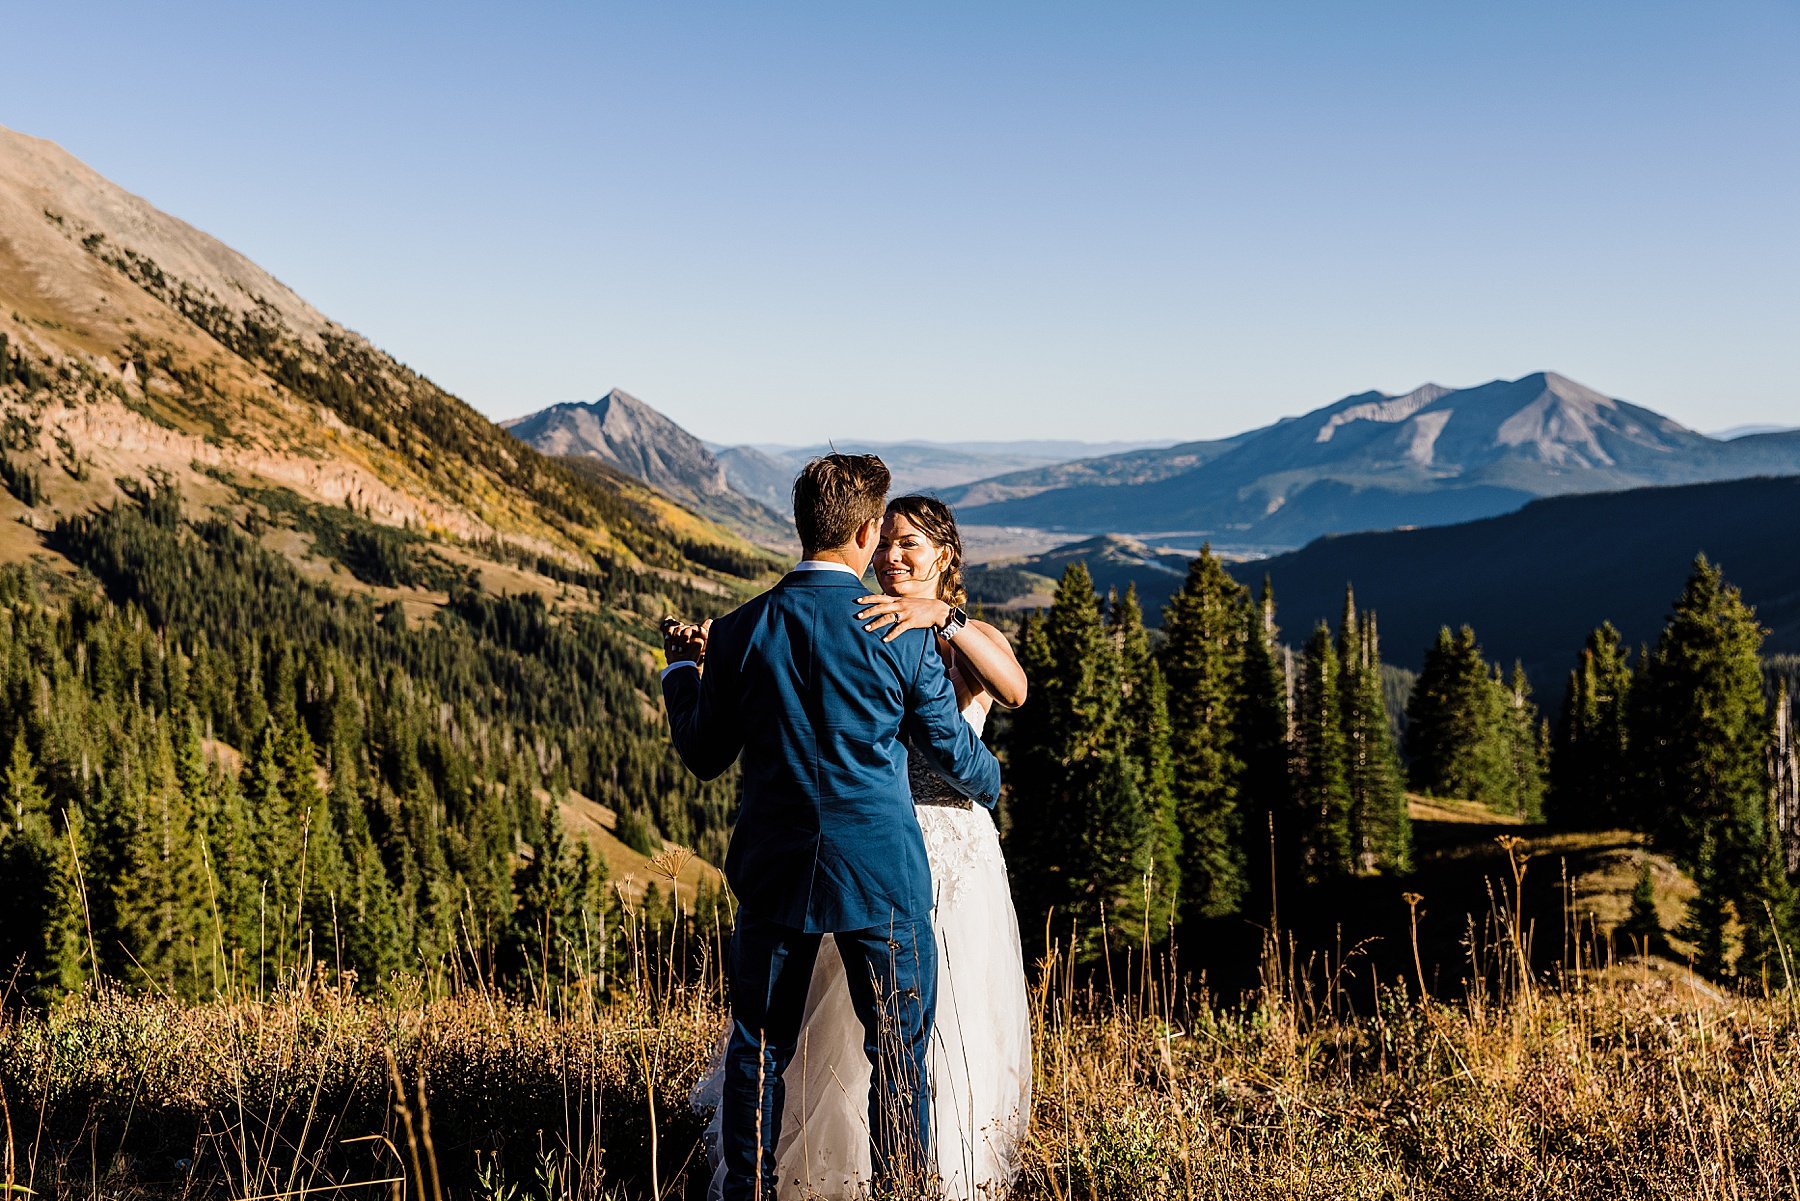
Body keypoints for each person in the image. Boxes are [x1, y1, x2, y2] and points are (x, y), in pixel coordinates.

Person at [662, 454, 1001, 1201]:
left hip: (775, 868)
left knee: (760, 1046)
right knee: (900, 1053)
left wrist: (680, 673)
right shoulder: (899, 632)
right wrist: (993, 782)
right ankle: (903, 1190)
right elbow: (956, 755)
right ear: (865, 529)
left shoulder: (743, 628)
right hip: (883, 874)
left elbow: (704, 752)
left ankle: (750, 1191)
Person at [771, 494, 1034, 1199]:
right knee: (859, 1022)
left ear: (945, 555)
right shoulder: (866, 624)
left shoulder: (966, 634)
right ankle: (842, 1167)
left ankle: (940, 1170)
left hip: (954, 845)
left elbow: (1014, 689)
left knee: (953, 1018)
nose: (891, 557)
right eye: (885, 542)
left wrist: (944, 619)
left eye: (910, 544)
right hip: (879, 841)